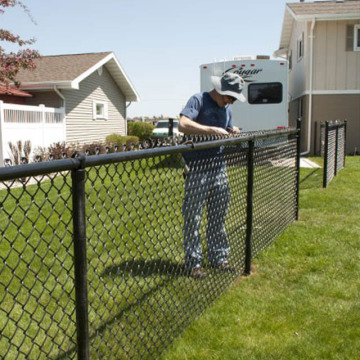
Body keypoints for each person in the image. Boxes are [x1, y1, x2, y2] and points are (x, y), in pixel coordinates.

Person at [179, 72, 246, 278]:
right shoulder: (198, 99)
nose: (232, 102)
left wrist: (230, 130)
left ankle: (219, 258)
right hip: (198, 167)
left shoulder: (227, 108)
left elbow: (224, 129)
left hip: (219, 167)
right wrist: (212, 130)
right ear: (221, 91)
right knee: (193, 216)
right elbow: (183, 124)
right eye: (231, 97)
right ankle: (194, 263)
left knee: (218, 215)